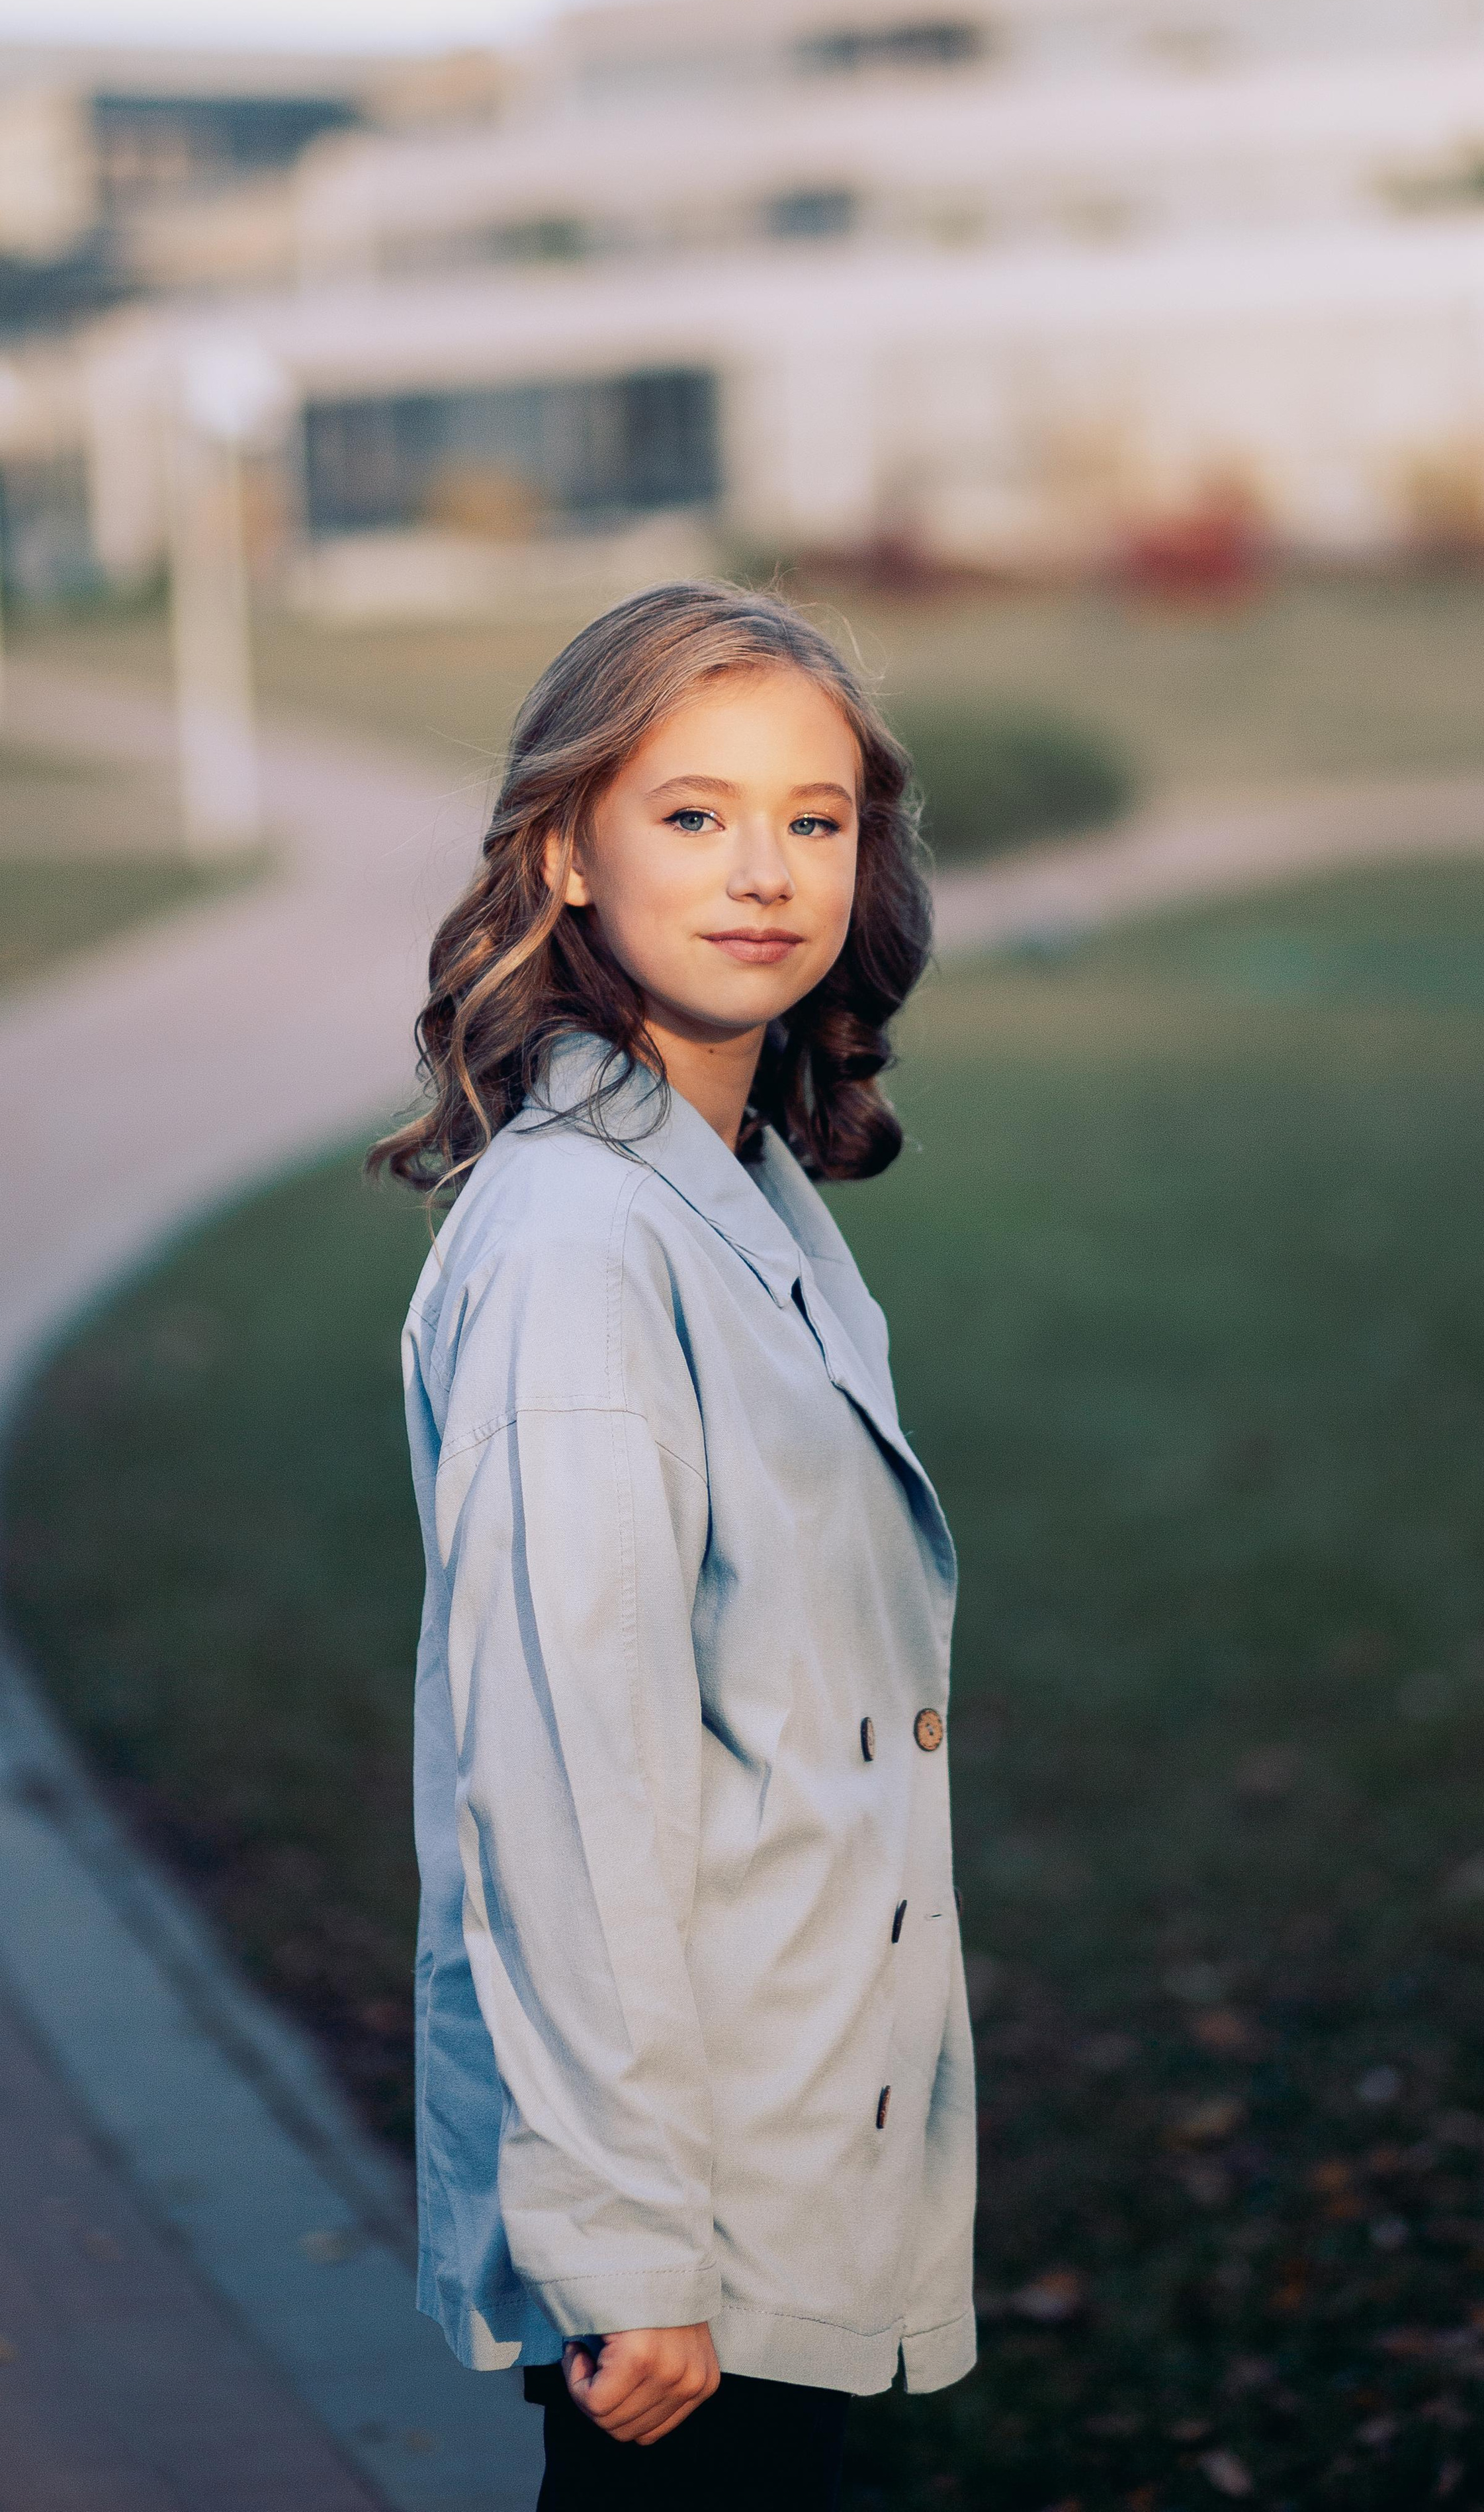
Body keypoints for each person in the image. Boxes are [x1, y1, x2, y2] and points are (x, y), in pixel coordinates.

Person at [373, 582, 975, 2510]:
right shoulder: (582, 1252)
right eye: (694, 813)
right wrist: (630, 2253)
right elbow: (563, 1778)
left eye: (815, 819)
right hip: (684, 2252)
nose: (767, 873)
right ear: (568, 846)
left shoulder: (746, 1195)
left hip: (800, 2169)